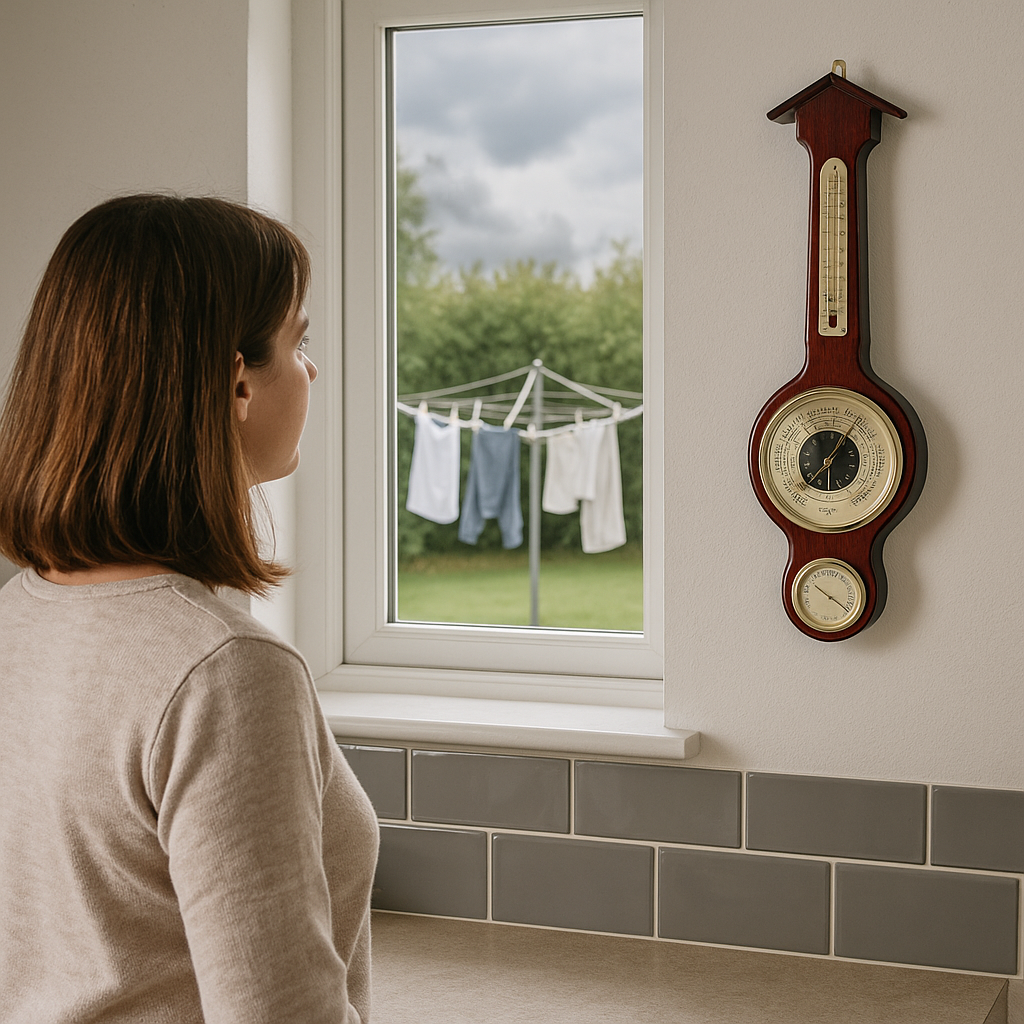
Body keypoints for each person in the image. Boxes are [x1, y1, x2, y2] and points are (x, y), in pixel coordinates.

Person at [0, 195, 379, 1023]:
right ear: (236, 381)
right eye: (298, 343)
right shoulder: (225, 673)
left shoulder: (16, 619)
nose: (311, 370)